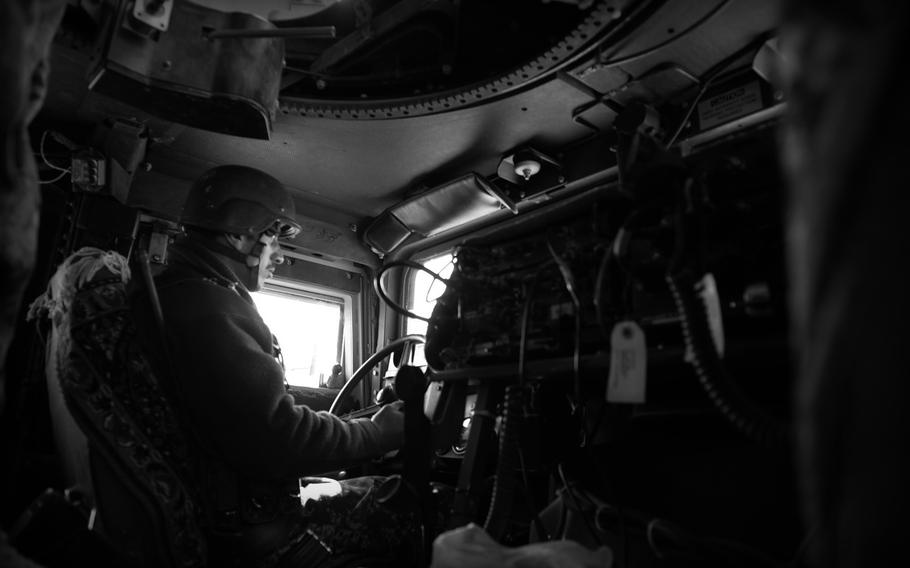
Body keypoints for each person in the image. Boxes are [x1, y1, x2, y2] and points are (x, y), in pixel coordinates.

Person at [131, 165, 417, 567]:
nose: (279, 255)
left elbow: (255, 421)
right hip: (253, 532)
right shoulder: (209, 307)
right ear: (239, 233)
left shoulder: (180, 295)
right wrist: (376, 433)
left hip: (228, 507)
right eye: (274, 237)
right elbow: (278, 438)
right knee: (400, 497)